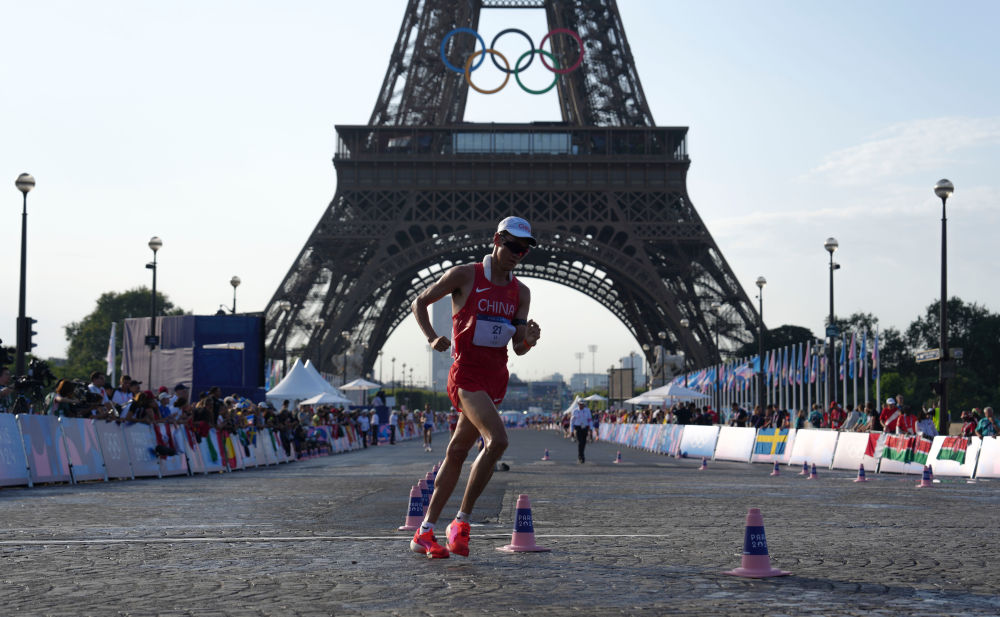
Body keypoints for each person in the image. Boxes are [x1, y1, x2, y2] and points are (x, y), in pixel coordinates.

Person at [408, 216, 540, 559]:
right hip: (465, 375)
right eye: (512, 246)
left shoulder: (521, 293)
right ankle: (461, 523)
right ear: (497, 239)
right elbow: (419, 301)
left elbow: (518, 348)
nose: (517, 254)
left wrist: (528, 339)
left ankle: (423, 532)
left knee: (456, 453)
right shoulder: (464, 275)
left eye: (524, 250)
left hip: (496, 378)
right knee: (498, 440)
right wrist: (432, 337)